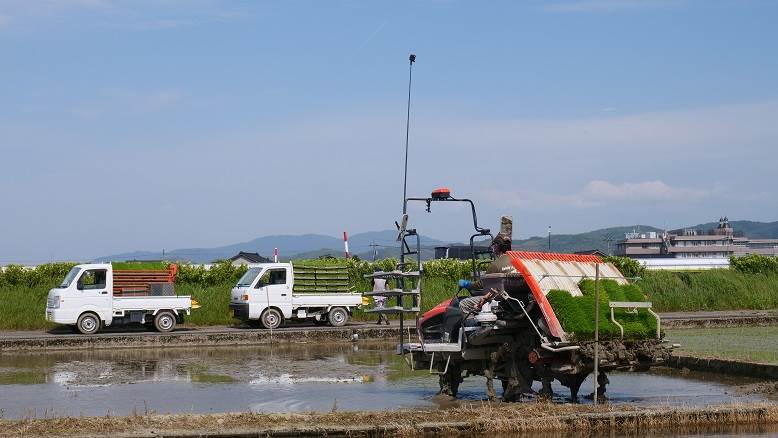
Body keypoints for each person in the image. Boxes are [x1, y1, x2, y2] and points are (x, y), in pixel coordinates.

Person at [457, 233, 516, 316]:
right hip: (516, 297)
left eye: (494, 245)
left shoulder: (496, 265)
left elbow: (481, 284)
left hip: (501, 300)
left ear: (498, 246)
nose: (493, 247)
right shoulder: (518, 260)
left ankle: (473, 327)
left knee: (464, 304)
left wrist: (467, 284)